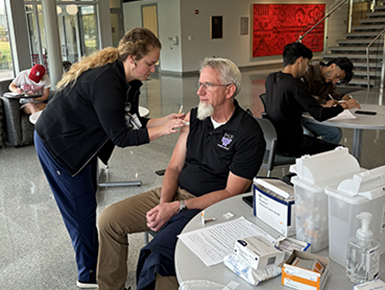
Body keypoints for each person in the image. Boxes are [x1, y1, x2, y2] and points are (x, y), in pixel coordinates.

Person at [34, 27, 186, 289]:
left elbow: (133, 120)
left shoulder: (131, 81)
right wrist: (163, 131)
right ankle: (88, 277)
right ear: (132, 59)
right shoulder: (106, 81)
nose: (153, 69)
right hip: (59, 145)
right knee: (81, 211)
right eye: (149, 63)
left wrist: (166, 120)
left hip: (81, 144)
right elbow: (122, 137)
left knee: (86, 201)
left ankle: (92, 265)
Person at [96, 57, 266, 290]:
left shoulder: (248, 133)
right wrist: (164, 204)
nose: (200, 92)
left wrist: (177, 208)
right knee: (109, 221)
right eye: (199, 84)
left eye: (208, 85)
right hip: (174, 195)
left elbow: (231, 192)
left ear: (230, 90)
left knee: (158, 260)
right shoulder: (195, 117)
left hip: (208, 208)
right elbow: (174, 167)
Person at [264, 42, 361, 157]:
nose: (306, 68)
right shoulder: (295, 85)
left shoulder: (271, 78)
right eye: (306, 63)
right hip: (291, 145)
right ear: (300, 60)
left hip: (273, 142)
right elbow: (320, 115)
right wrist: (344, 106)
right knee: (341, 151)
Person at [301, 57, 355, 144]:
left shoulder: (328, 81)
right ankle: (314, 155)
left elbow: (335, 93)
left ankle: (319, 155)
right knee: (308, 136)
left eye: (338, 80)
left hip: (313, 116)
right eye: (337, 76)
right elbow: (302, 97)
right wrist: (324, 102)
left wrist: (343, 98)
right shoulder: (307, 72)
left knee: (335, 133)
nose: (335, 82)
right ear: (332, 66)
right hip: (299, 116)